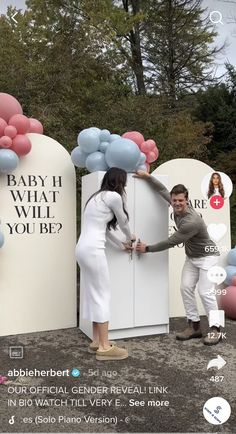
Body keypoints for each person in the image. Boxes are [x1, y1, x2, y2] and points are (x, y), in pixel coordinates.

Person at [135, 171, 221, 346]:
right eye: (174, 200)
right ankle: (194, 326)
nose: (177, 203)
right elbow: (161, 189)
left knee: (205, 292)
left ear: (187, 200)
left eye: (180, 201)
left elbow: (171, 241)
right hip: (192, 256)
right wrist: (147, 177)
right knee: (185, 288)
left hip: (208, 257)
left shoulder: (192, 221)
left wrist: (147, 248)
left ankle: (216, 329)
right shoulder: (174, 205)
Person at [76, 167, 135, 361]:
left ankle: (96, 341)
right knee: (102, 294)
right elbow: (124, 222)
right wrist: (130, 237)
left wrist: (120, 245)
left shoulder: (96, 198)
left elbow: (105, 231)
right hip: (93, 250)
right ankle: (104, 347)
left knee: (93, 294)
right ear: (120, 181)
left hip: (83, 248)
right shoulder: (113, 197)